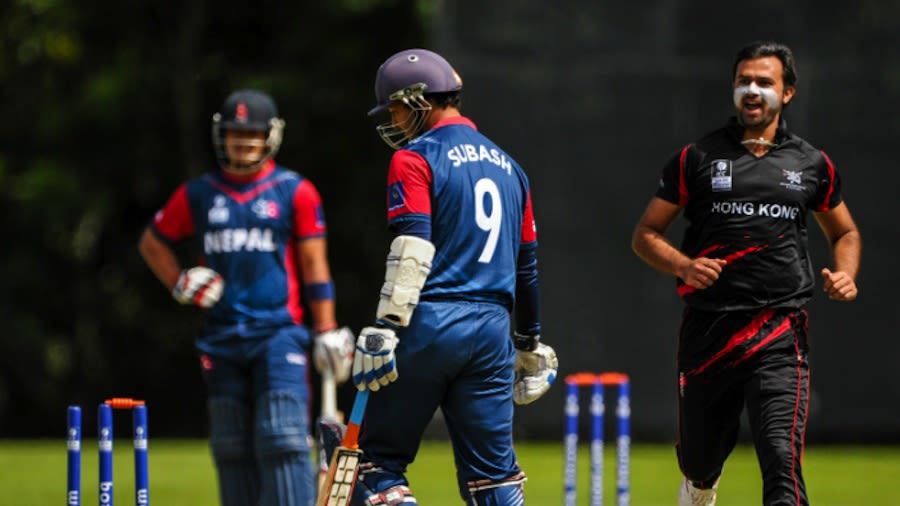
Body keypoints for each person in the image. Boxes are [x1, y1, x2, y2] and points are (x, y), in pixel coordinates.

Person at [631, 41, 861, 506]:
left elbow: (846, 232)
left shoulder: (812, 163)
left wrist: (846, 273)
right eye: (743, 81)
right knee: (699, 459)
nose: (751, 91)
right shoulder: (696, 158)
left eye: (764, 82)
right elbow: (646, 233)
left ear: (788, 93)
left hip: (781, 331)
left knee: (781, 457)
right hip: (709, 329)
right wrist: (683, 265)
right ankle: (700, 488)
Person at [334, 48, 558, 505]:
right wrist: (529, 343)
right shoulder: (511, 168)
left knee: (374, 465)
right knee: (495, 480)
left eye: (395, 108)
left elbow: (413, 249)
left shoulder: (415, 158)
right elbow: (527, 266)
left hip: (431, 323)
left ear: (420, 99)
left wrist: (387, 326)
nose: (394, 120)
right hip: (493, 331)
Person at [138, 89, 354, 506]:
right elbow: (152, 242)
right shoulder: (200, 193)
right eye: (236, 134)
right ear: (222, 135)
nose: (244, 142)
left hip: (279, 333)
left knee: (283, 438)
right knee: (231, 445)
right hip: (220, 336)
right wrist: (179, 281)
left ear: (270, 136)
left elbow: (314, 266)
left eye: (252, 134)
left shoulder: (294, 191)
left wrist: (326, 329)